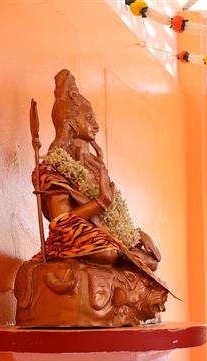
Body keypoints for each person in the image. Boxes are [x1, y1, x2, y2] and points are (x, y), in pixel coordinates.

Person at [35, 69, 165, 287]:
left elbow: (109, 221)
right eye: (88, 118)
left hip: (101, 234)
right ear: (71, 123)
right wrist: (100, 202)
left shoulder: (93, 165)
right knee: (108, 253)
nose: (95, 125)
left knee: (150, 260)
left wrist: (134, 234)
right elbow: (60, 221)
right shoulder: (52, 167)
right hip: (72, 237)